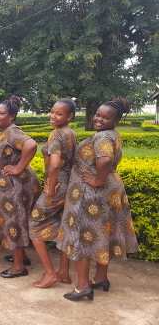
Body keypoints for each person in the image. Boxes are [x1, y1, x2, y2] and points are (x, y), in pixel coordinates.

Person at [58, 97, 138, 301]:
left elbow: (105, 160)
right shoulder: (112, 135)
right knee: (104, 232)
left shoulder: (102, 137)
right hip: (110, 189)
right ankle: (101, 277)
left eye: (105, 117)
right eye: (98, 115)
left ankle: (83, 286)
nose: (99, 119)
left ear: (115, 120)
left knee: (83, 236)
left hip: (93, 194)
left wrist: (97, 180)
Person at [0, 95, 40, 276]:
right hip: (5, 185)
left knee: (13, 222)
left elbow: (30, 145)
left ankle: (18, 267)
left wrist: (18, 167)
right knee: (14, 220)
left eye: (2, 113)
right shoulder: (6, 132)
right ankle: (21, 257)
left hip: (13, 186)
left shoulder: (13, 131)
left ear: (12, 116)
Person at [29, 99, 77, 288]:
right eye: (52, 112)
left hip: (57, 187)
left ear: (69, 116)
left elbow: (55, 163)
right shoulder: (71, 133)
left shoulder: (57, 134)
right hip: (70, 185)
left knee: (34, 224)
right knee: (64, 224)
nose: (53, 116)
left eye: (59, 114)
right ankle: (64, 272)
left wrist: (50, 184)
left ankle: (50, 273)